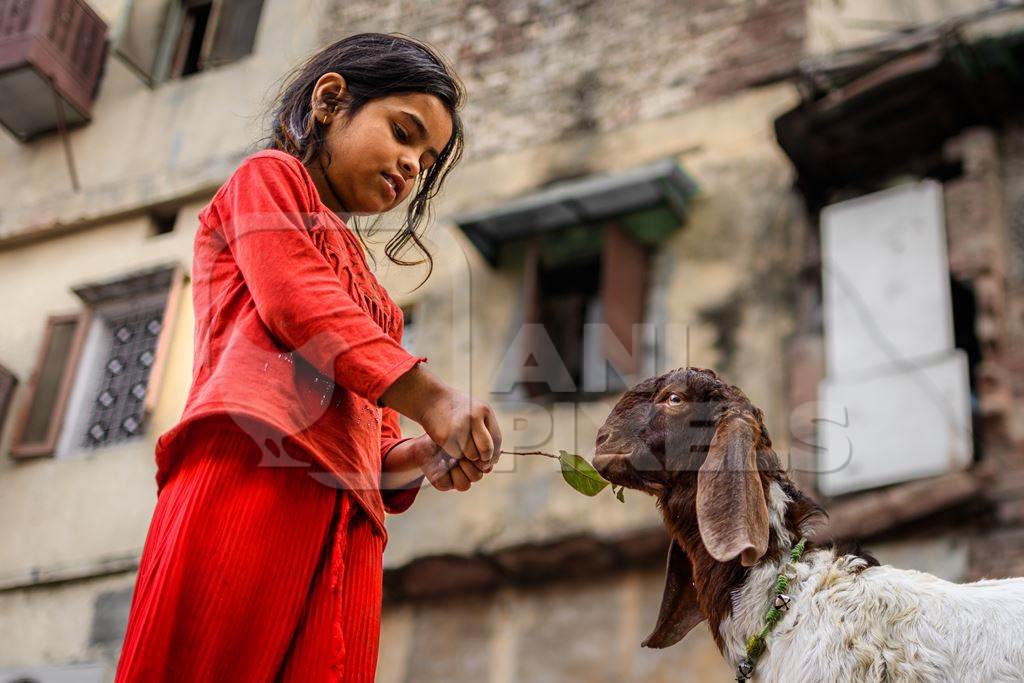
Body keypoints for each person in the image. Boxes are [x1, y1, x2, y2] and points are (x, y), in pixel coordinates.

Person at [114, 33, 502, 682]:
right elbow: (299, 303)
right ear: (330, 100)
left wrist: (428, 454)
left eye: (427, 161)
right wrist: (434, 399)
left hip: (348, 525)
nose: (412, 165)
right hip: (252, 464)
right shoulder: (267, 179)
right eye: (403, 133)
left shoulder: (381, 304)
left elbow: (376, 456)